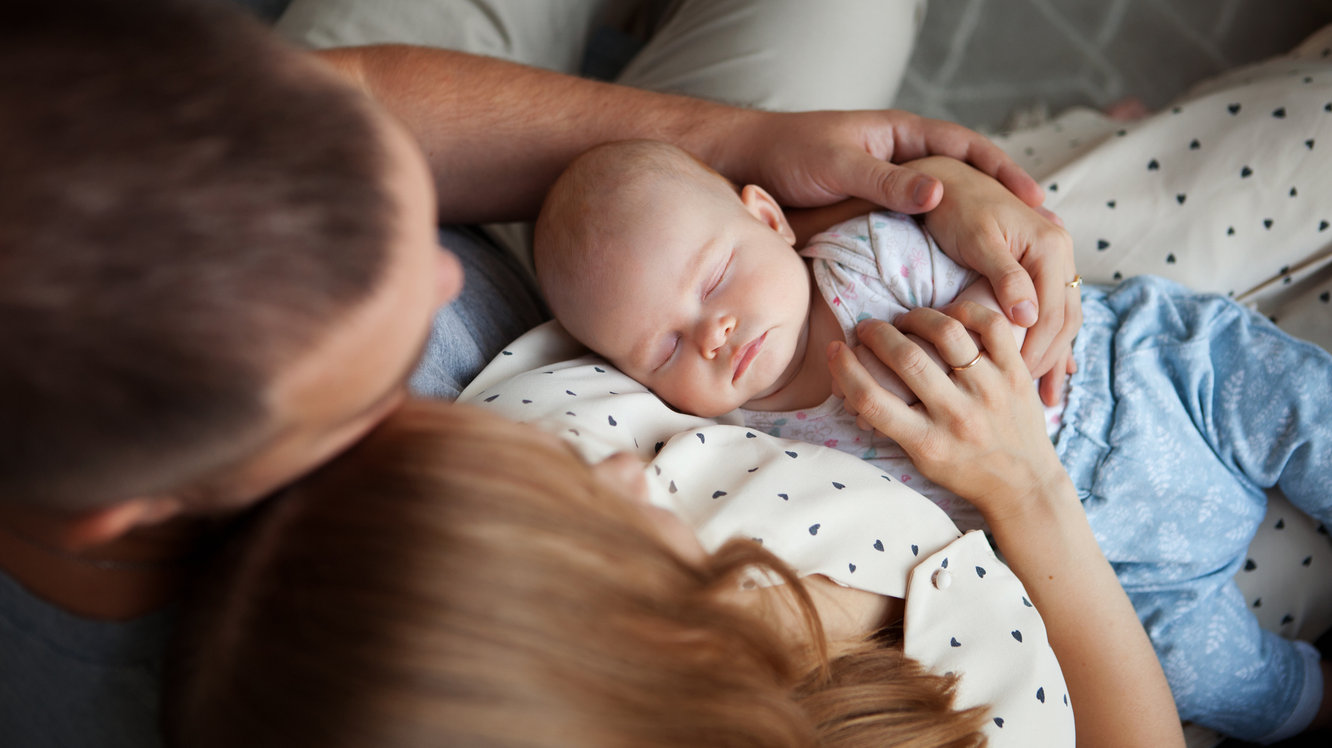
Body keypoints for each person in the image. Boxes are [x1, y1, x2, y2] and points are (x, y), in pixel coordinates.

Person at [0, 1, 1077, 746]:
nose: (440, 274)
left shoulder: (82, 145)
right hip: (655, 334)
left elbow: (370, 93)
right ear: (125, 510)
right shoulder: (316, 674)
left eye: (398, 231)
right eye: (369, 369)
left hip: (643, 242)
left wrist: (734, 146)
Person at [532, 139, 1332, 742]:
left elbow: (1005, 279)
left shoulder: (863, 258)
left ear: (772, 218)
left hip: (1145, 384)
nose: (714, 332)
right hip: (1118, 573)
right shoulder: (757, 443)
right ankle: (1315, 696)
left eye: (713, 282)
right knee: (1221, 680)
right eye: (666, 349)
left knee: (1299, 407)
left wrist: (997, 299)